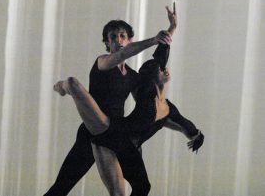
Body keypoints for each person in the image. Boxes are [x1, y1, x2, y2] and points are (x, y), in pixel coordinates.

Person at [44, 5, 177, 196]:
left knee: (121, 192)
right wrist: (154, 39)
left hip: (113, 134)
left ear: (129, 39)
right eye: (113, 37)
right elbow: (123, 54)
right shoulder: (103, 62)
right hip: (91, 130)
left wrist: (172, 28)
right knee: (61, 188)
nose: (118, 40)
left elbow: (148, 105)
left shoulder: (132, 76)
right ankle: (64, 86)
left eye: (122, 36)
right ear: (107, 43)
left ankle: (66, 86)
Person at [52, 41, 204, 196]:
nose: (165, 70)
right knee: (64, 187)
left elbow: (184, 124)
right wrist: (169, 33)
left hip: (128, 147)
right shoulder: (146, 96)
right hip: (108, 137)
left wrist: (197, 135)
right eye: (160, 69)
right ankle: (66, 86)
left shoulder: (169, 109)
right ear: (152, 77)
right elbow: (160, 58)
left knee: (142, 188)